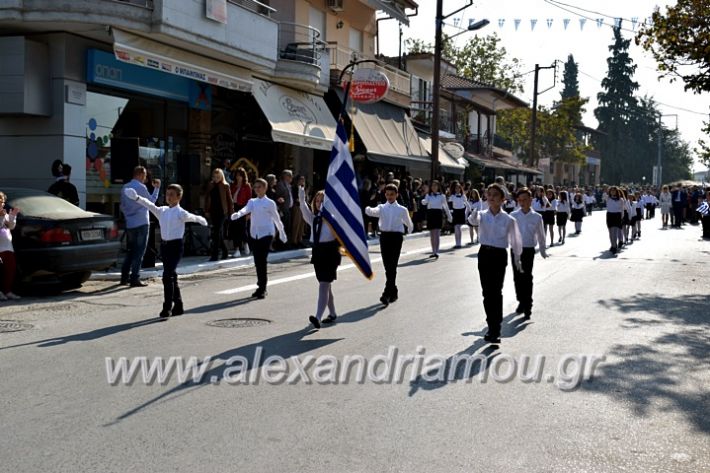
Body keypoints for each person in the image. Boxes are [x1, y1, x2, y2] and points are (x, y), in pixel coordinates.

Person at [124, 184, 208, 318]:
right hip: (165, 247)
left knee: (167, 276)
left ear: (178, 197)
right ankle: (179, 305)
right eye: (167, 194)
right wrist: (137, 197)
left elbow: (191, 217)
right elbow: (149, 205)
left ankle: (167, 307)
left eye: (172, 195)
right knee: (171, 276)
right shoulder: (162, 211)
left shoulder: (180, 212)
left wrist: (200, 219)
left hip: (176, 247)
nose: (168, 197)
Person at [477, 183, 522, 345]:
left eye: (495, 195)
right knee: (486, 292)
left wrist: (518, 260)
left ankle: (495, 329)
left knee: (496, 292)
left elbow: (516, 241)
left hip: (498, 255)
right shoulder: (481, 214)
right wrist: (478, 211)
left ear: (503, 199)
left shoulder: (509, 219)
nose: (491, 197)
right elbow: (472, 220)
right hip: (484, 254)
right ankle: (491, 324)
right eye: (489, 194)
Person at [230, 178, 287, 299]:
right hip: (254, 234)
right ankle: (260, 286)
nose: (257, 189)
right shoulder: (252, 201)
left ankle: (262, 288)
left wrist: (281, 232)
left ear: (265, 188)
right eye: (255, 187)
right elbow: (246, 209)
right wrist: (238, 214)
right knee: (257, 261)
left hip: (266, 233)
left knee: (262, 260)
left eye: (259, 187)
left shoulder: (270, 203)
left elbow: (276, 218)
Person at [298, 186, 341, 329]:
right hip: (318, 252)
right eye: (317, 201)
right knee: (326, 286)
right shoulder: (315, 219)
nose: (319, 204)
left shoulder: (333, 218)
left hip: (330, 253)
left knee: (324, 284)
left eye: (322, 201)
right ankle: (333, 313)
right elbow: (305, 213)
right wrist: (302, 199)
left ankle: (317, 317)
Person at [365, 183, 413, 307]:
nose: (389, 196)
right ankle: (394, 290)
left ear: (397, 195)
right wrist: (367, 204)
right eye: (387, 194)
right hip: (385, 237)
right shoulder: (381, 207)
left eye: (392, 194)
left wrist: (409, 230)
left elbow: (409, 224)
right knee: (388, 266)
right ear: (385, 194)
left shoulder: (402, 209)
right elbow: (371, 211)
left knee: (392, 265)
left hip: (396, 238)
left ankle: (386, 293)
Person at [511, 187, 548, 319]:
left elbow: (541, 235)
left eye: (525, 200)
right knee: (517, 277)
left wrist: (543, 250)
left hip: (528, 250)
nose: (522, 202)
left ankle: (528, 304)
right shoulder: (513, 216)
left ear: (530, 200)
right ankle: (521, 300)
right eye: (520, 200)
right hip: (515, 250)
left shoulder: (537, 217)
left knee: (527, 277)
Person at [120, 166, 160, 287]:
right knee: (139, 252)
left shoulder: (125, 187)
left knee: (130, 251)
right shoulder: (141, 187)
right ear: (140, 174)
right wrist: (157, 188)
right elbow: (151, 202)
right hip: (142, 222)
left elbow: (122, 206)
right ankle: (134, 278)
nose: (145, 178)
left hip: (130, 223)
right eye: (145, 175)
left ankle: (124, 277)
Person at [205, 168, 234, 261]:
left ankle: (215, 255)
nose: (216, 178)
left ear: (221, 177)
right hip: (213, 211)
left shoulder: (225, 186)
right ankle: (225, 251)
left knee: (216, 233)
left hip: (222, 212)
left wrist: (231, 213)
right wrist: (206, 211)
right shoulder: (210, 185)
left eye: (218, 177)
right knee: (218, 233)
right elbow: (207, 198)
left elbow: (230, 201)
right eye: (214, 176)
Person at [421, 180, 452, 259]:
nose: (434, 187)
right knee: (432, 234)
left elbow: (446, 207)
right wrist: (423, 201)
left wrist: (449, 216)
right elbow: (425, 202)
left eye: (436, 185)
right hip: (431, 214)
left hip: (438, 214)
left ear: (438, 187)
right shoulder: (428, 195)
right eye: (433, 186)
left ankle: (436, 251)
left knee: (437, 234)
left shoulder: (442, 196)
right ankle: (433, 251)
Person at [0, 192, 21, 300]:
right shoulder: (2, 215)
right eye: (0, 202)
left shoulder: (4, 213)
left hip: (8, 247)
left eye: (3, 202)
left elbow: (11, 226)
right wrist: (2, 218)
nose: (2, 204)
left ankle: (7, 291)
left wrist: (12, 216)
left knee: (10, 269)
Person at [229, 168, 252, 256]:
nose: (238, 177)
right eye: (237, 175)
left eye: (240, 175)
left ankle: (246, 243)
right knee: (235, 229)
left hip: (243, 208)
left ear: (243, 176)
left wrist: (249, 213)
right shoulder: (233, 185)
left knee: (242, 228)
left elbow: (249, 200)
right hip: (234, 207)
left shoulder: (247, 186)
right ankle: (237, 249)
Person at [274, 170, 294, 245]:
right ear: (285, 176)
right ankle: (280, 243)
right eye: (289, 176)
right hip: (283, 209)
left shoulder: (289, 185)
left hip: (289, 209)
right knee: (283, 227)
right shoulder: (280, 185)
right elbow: (278, 196)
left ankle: (286, 243)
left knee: (287, 227)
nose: (291, 177)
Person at [448, 181, 469, 249]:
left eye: (458, 188)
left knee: (458, 228)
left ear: (460, 189)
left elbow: (467, 205)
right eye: (456, 188)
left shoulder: (463, 196)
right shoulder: (452, 196)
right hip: (455, 212)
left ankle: (459, 243)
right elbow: (449, 205)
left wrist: (466, 214)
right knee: (456, 228)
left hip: (461, 212)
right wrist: (450, 213)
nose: (457, 189)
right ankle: (457, 243)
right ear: (454, 189)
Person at [606, 186, 624, 254]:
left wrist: (622, 217)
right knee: (610, 232)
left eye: (614, 190)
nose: (613, 192)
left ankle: (614, 246)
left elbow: (622, 210)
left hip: (617, 216)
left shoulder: (620, 199)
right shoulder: (608, 198)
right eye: (611, 191)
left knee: (615, 232)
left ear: (617, 191)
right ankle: (612, 244)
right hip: (610, 215)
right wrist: (609, 189)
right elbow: (606, 192)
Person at [291, 175, 307, 247]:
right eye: (301, 179)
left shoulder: (303, 188)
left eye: (303, 180)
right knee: (296, 223)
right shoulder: (294, 188)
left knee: (301, 224)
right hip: (297, 206)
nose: (302, 181)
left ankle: (299, 239)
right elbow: (295, 198)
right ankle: (294, 240)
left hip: (302, 207)